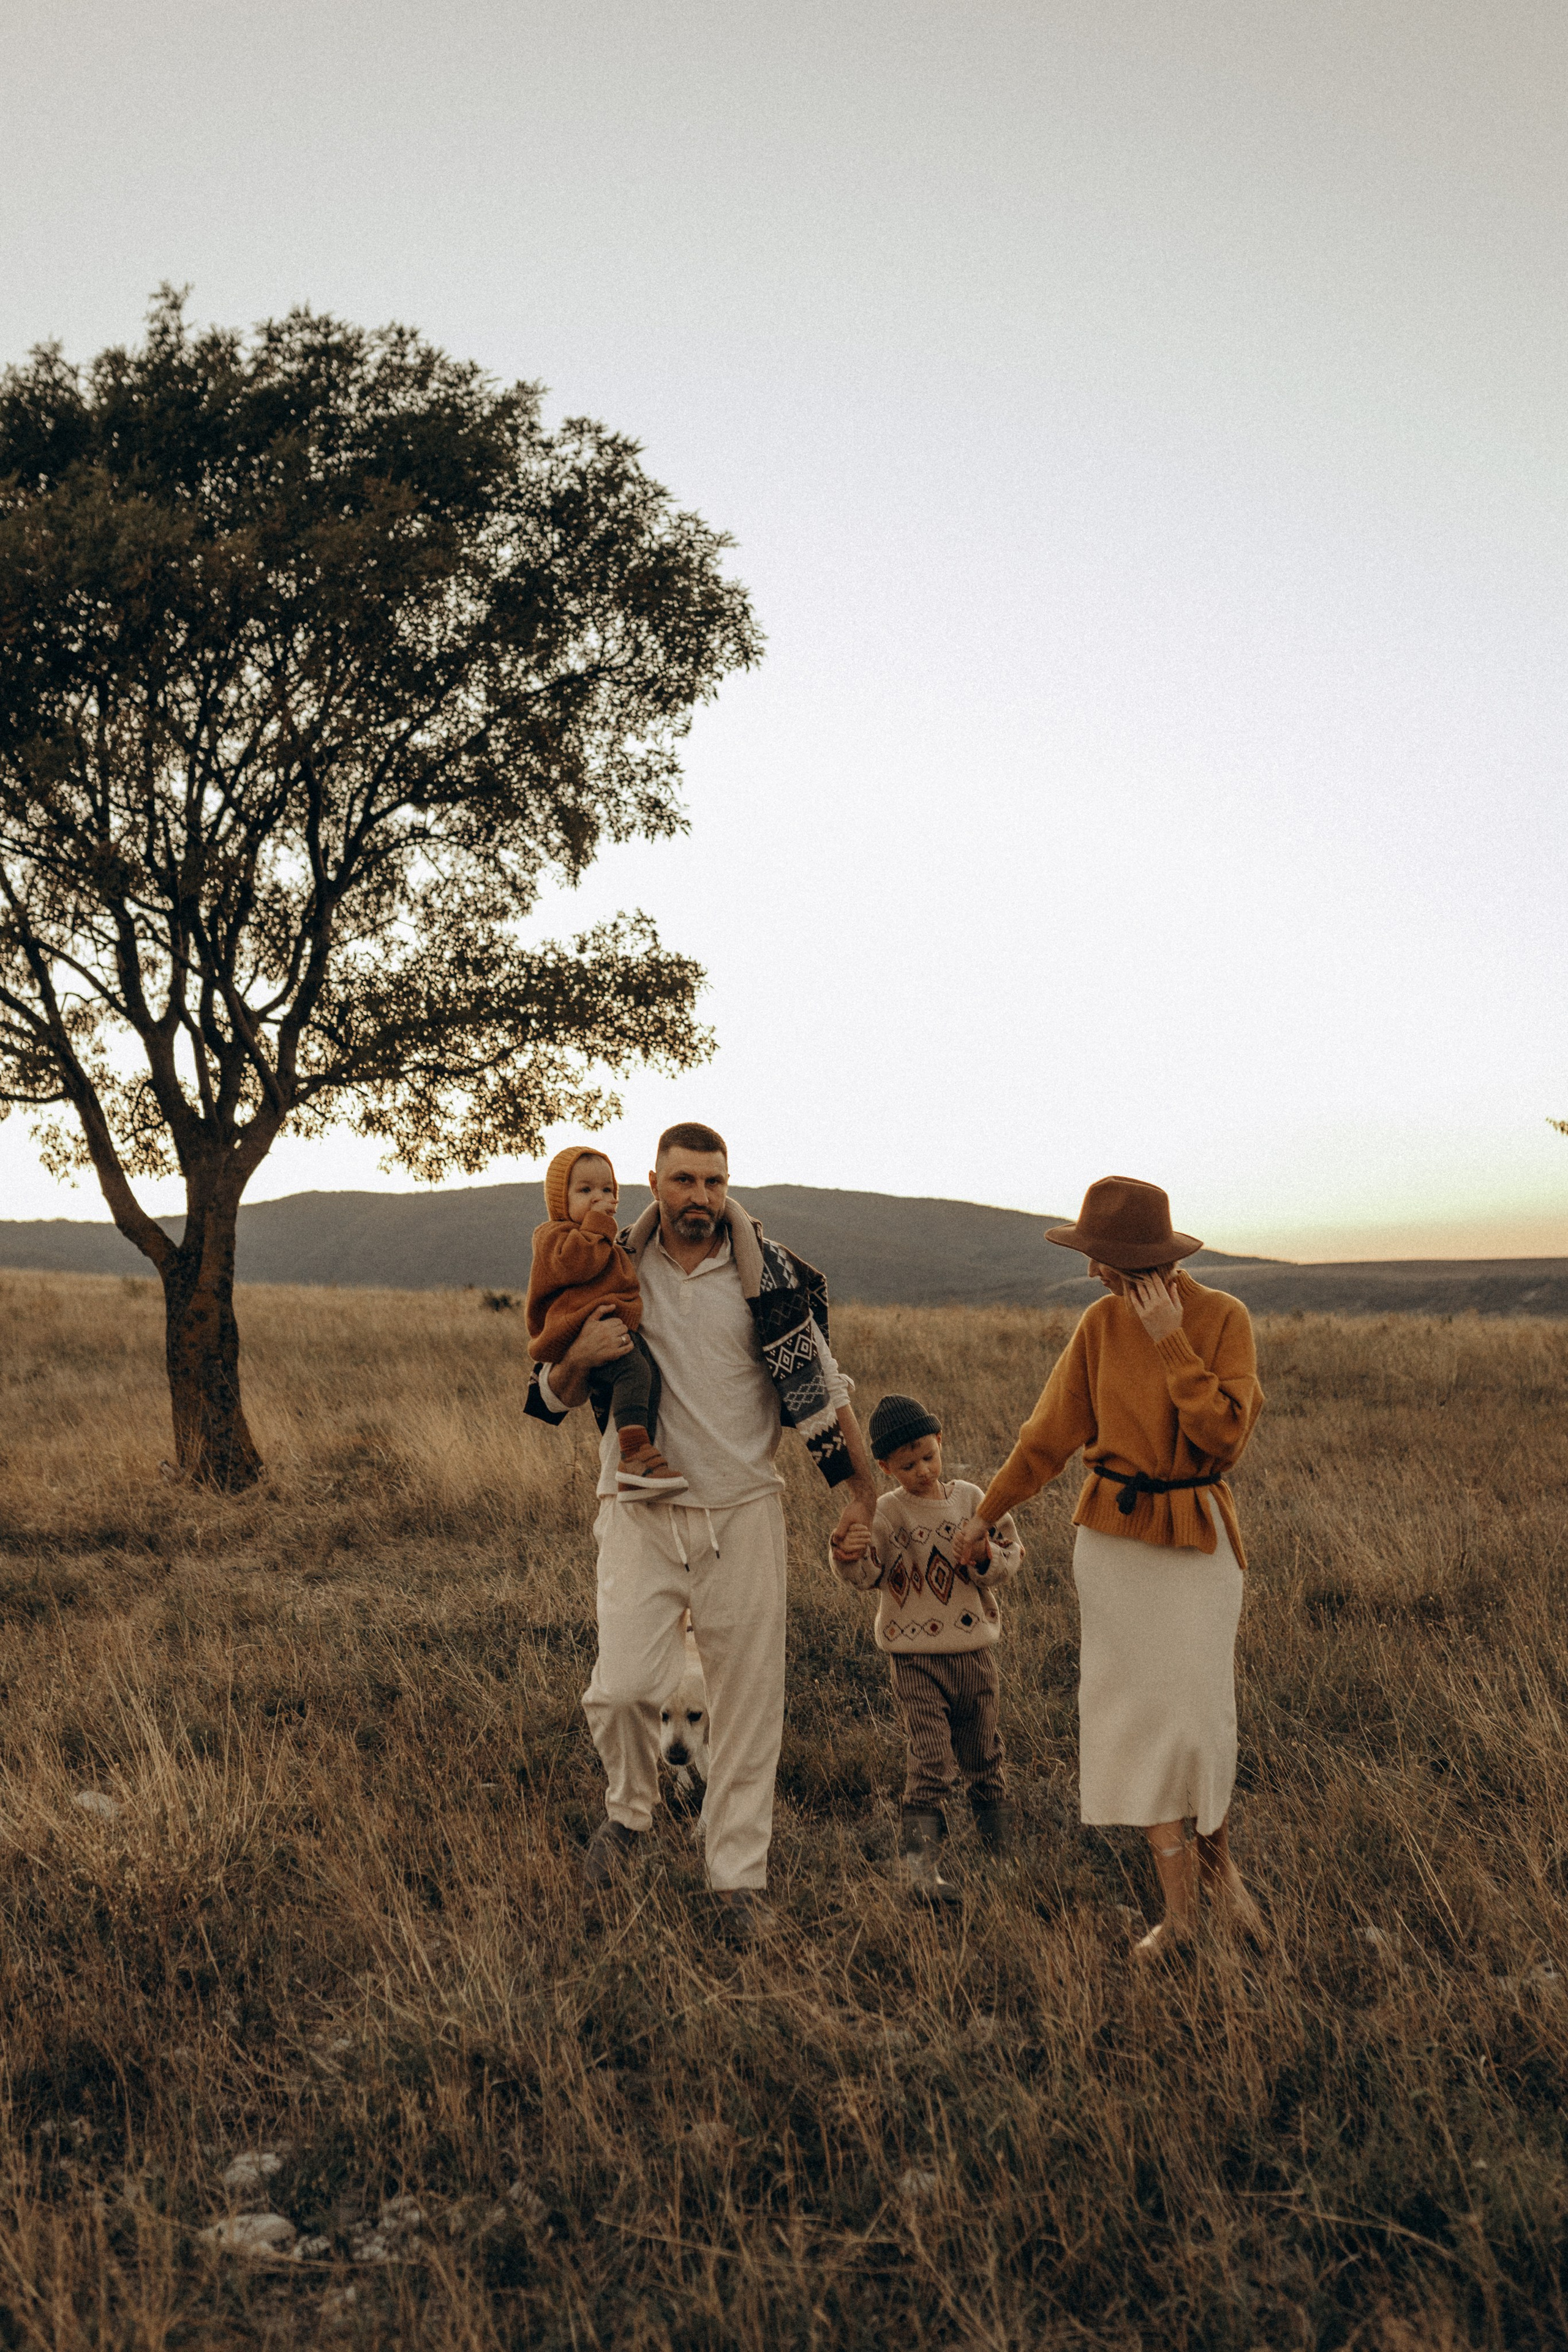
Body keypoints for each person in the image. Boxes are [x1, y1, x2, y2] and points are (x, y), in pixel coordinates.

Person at [524, 1121, 880, 1938]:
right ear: (655, 1183)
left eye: (714, 1183)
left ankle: (737, 1881)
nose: (702, 1199)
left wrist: (860, 1497)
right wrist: (582, 1352)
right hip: (637, 1509)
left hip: (744, 1512)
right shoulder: (613, 1261)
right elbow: (549, 1398)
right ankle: (630, 1812)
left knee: (750, 1706)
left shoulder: (772, 1277)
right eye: (685, 1182)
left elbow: (828, 1392)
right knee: (622, 1691)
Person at [953, 1175, 1267, 1957]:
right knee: (1135, 1723)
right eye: (1093, 1258)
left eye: (1105, 1258)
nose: (1095, 1272)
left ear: (1145, 1255)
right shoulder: (1097, 1324)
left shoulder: (1223, 1319)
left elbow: (1224, 1438)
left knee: (1198, 1726)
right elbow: (1046, 1440)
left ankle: (1220, 1879)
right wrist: (984, 1515)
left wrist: (1170, 1340)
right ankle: (1182, 1919)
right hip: (1114, 1544)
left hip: (1196, 1543)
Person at [831, 1392, 1023, 1902]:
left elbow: (1010, 1555)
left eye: (928, 1457)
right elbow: (867, 1572)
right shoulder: (889, 1513)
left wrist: (985, 1555)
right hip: (915, 1660)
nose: (922, 1470)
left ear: (941, 1442)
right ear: (885, 1466)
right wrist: (847, 1552)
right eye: (907, 1463)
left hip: (975, 1655)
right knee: (932, 1758)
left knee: (984, 1752)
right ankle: (920, 1870)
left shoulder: (973, 1501)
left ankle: (1001, 1858)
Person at [525, 1145, 685, 1496]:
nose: (598, 1199)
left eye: (607, 1190)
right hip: (576, 1331)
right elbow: (576, 1265)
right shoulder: (554, 1236)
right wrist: (600, 1225)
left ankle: (644, 1455)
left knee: (647, 1375)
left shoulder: (605, 1242)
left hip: (609, 1326)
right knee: (634, 1372)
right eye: (585, 1191)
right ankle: (633, 1455)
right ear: (559, 1199)